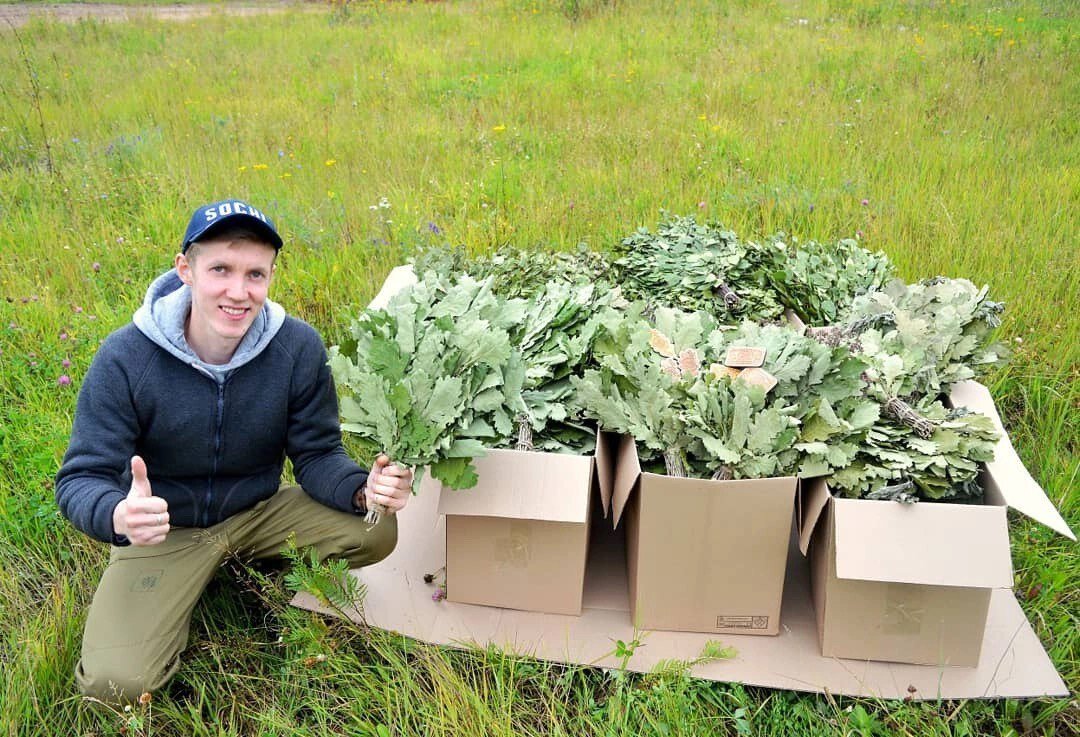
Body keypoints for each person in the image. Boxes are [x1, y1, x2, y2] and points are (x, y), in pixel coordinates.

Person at [55, 198, 413, 703]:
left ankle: (248, 562)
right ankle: (183, 582)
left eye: (255, 274)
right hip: (165, 531)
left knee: (376, 530)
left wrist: (362, 489)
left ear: (270, 277)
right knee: (116, 686)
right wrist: (118, 514)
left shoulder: (297, 348)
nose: (238, 292)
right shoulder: (126, 357)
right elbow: (79, 479)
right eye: (220, 269)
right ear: (186, 269)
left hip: (257, 511)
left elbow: (317, 455)